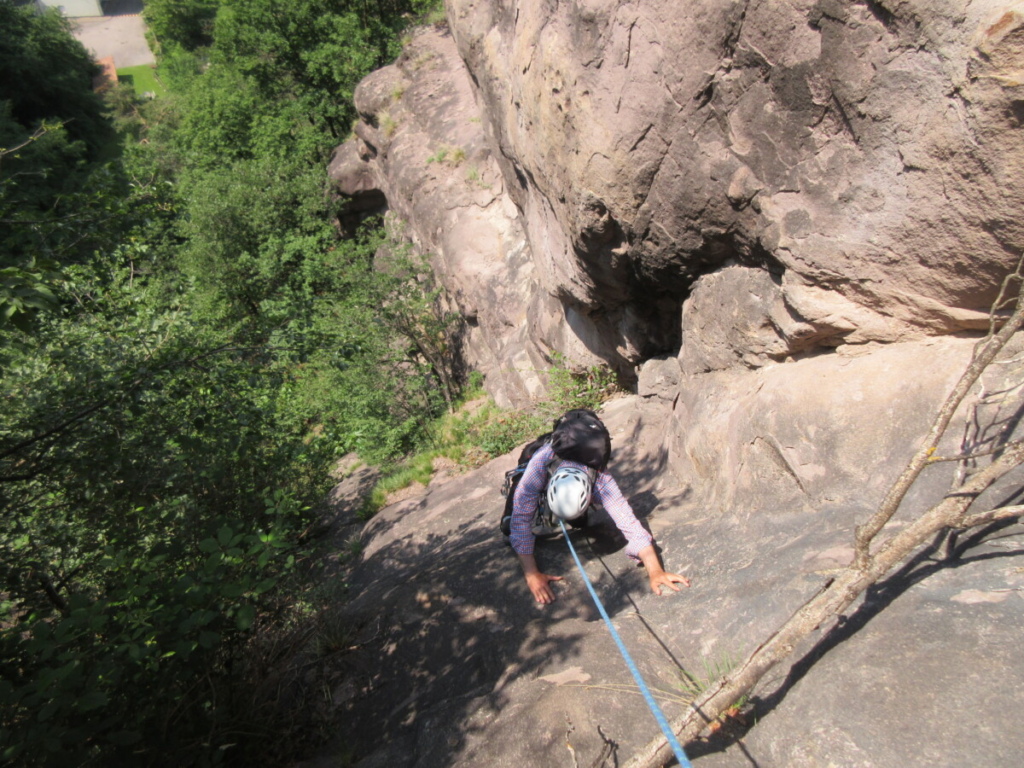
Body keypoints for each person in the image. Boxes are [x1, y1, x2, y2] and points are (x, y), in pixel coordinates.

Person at [509, 439, 690, 604]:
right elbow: (520, 522)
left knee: (579, 522)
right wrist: (531, 574)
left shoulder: (602, 481)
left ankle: (578, 514)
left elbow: (630, 524)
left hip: (579, 467)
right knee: (508, 521)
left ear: (590, 495)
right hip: (538, 452)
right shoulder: (538, 470)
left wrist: (655, 570)